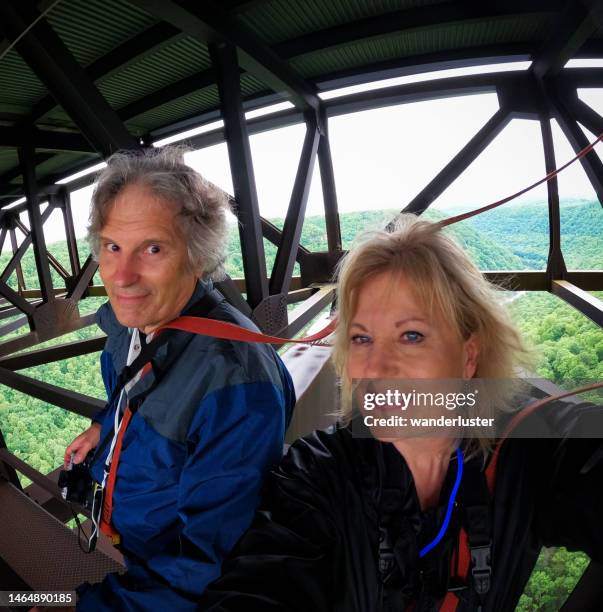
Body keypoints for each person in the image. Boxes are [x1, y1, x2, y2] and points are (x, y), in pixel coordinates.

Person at [200, 214, 603, 611]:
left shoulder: (524, 445)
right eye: (361, 338)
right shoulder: (317, 474)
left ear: (468, 354)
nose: (374, 368)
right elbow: (263, 582)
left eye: (411, 336)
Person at [63, 147, 295, 610]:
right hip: (137, 551)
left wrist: (76, 605)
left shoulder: (237, 382)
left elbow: (207, 572)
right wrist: (103, 427)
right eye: (112, 246)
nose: (122, 276)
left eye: (152, 248)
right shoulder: (130, 324)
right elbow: (138, 393)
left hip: (162, 582)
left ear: (197, 255)